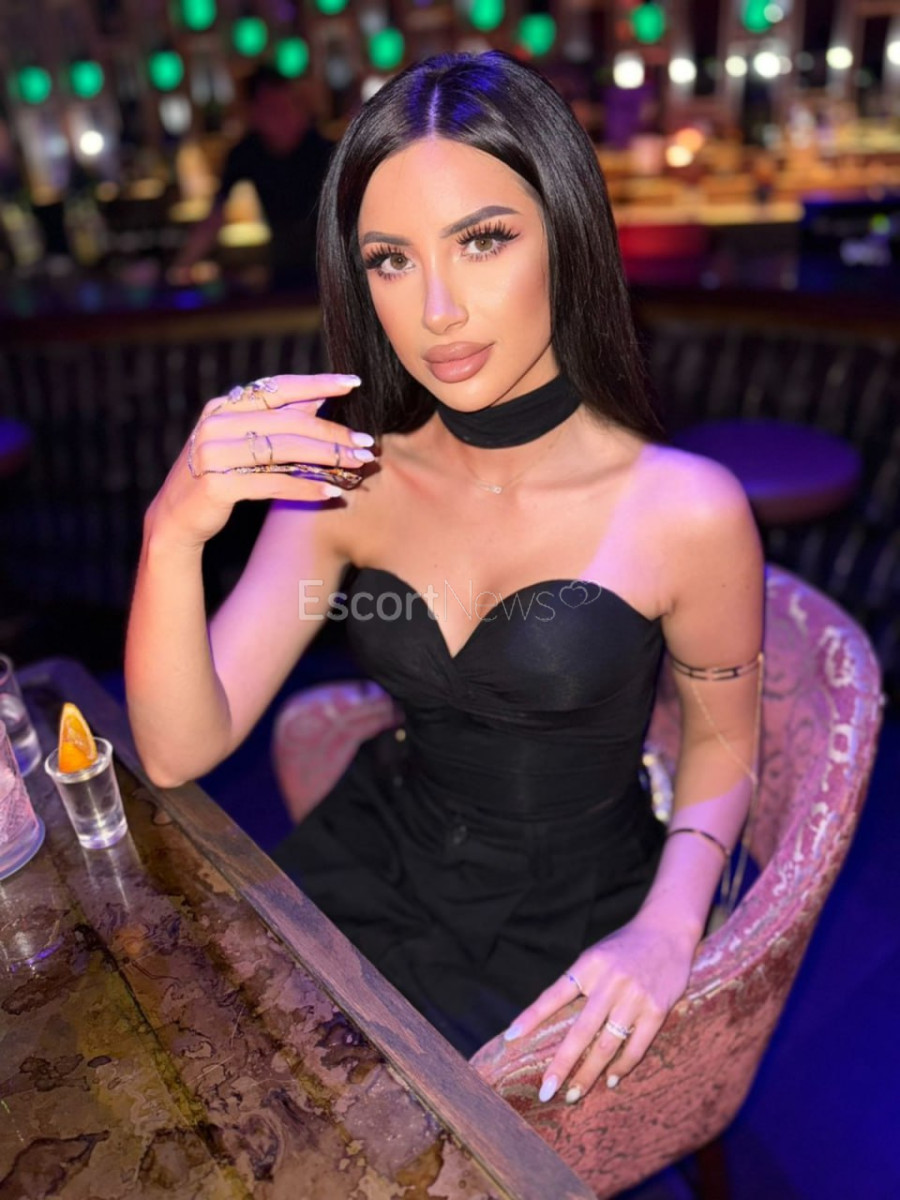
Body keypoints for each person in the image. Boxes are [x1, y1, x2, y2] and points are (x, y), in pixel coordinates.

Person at [126, 51, 764, 1105]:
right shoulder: (351, 479)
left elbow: (724, 738)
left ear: (565, 232)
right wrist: (171, 532)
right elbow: (177, 746)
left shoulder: (684, 509)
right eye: (389, 259)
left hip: (577, 911)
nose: (436, 309)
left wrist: (669, 922)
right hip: (385, 860)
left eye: (482, 240)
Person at [170, 66, 333, 291]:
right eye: (273, 109)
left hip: (335, 268)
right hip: (285, 268)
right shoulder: (247, 153)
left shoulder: (326, 151)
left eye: (290, 106)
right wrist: (182, 267)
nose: (285, 116)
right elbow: (215, 216)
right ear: (255, 114)